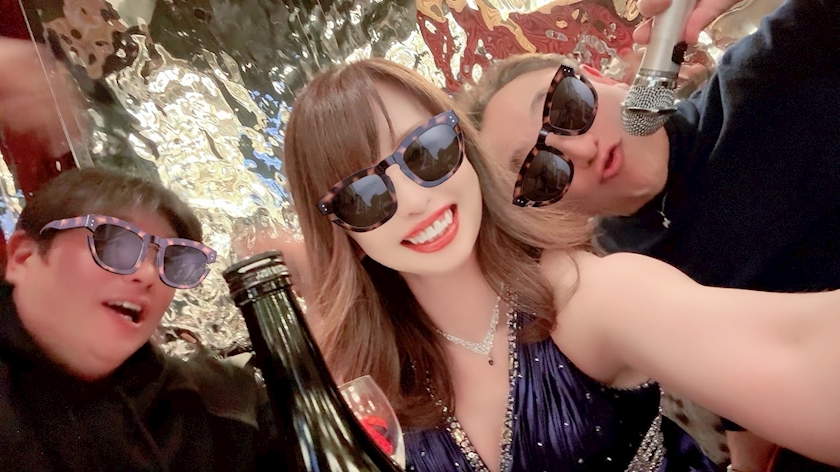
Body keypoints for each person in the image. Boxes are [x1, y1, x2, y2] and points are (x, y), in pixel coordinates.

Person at [282, 50, 840, 472]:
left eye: (426, 152)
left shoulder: (585, 297)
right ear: (342, 231)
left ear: (465, 150)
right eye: (363, 196)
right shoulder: (366, 388)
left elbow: (796, 353)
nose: (414, 200)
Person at [460, 0, 840, 469]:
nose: (582, 149)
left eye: (568, 105)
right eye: (540, 170)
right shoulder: (616, 271)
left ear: (600, 78)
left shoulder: (772, 69)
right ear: (544, 206)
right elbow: (733, 366)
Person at [0, 167, 282, 471]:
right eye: (114, 244)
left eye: (171, 260)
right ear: (23, 257)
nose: (148, 274)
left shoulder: (227, 405)